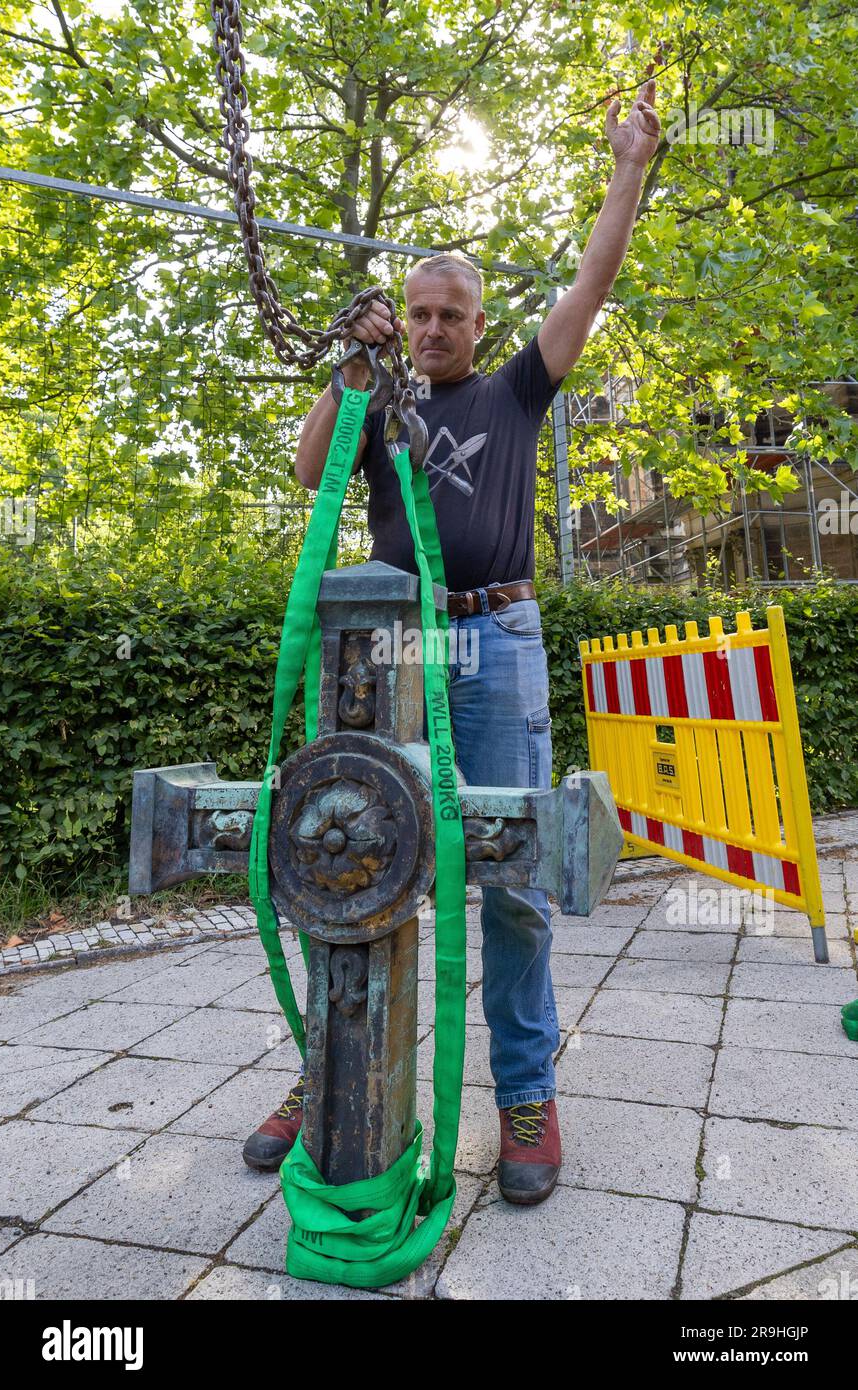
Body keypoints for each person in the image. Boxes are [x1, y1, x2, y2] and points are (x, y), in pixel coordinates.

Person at [243, 81, 661, 1203]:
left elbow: (591, 284)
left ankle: (524, 1093)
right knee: (357, 852)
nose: (430, 329)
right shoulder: (378, 405)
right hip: (401, 646)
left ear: (477, 324)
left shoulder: (519, 390)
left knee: (510, 872)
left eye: (447, 315)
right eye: (416, 314)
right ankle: (324, 1070)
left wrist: (626, 168)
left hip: (499, 639)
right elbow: (304, 470)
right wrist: (348, 360)